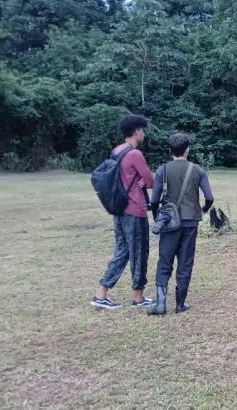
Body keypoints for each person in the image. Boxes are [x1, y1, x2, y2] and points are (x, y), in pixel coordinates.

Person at [91, 114, 155, 309]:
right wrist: (143, 180)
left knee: (122, 251)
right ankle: (138, 296)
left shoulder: (117, 150)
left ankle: (101, 293)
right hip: (135, 208)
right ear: (136, 131)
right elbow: (151, 181)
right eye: (143, 130)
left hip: (119, 208)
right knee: (139, 253)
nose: (144, 134)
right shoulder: (135, 154)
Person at [147, 134, 214, 316]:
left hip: (169, 223)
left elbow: (154, 200)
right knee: (185, 262)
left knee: (165, 261)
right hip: (190, 221)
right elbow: (209, 197)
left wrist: (158, 217)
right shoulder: (198, 170)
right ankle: (180, 304)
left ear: (170, 151)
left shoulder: (163, 169)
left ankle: (160, 304)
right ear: (188, 150)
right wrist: (204, 209)